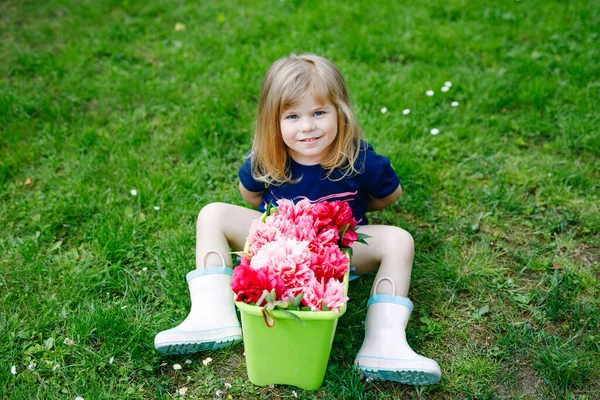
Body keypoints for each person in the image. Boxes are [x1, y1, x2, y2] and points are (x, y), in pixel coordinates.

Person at [154, 53, 441, 385]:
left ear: (340, 112)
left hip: (339, 253)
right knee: (213, 214)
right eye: (292, 116)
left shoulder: (360, 159)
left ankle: (384, 341)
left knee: (399, 240)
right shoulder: (266, 158)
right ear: (273, 122)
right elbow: (251, 196)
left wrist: (350, 222)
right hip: (277, 250)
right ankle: (212, 314)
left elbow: (389, 196)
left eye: (319, 112)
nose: (307, 127)